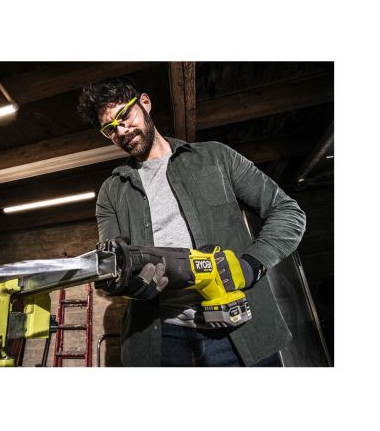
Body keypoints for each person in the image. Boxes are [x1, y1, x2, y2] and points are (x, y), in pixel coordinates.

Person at [77, 77, 306, 367]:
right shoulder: (112, 191)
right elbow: (110, 263)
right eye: (110, 129)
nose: (122, 131)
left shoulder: (215, 157)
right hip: (161, 341)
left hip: (239, 329)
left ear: (145, 103)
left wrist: (251, 265)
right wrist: (126, 286)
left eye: (125, 115)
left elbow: (288, 211)